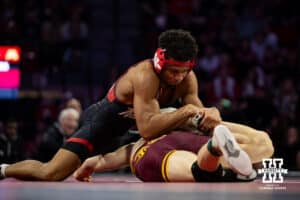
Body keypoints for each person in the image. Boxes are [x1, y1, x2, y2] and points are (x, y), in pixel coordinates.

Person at [0, 29, 271, 181]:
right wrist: (188, 111)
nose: (178, 77)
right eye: (173, 70)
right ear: (159, 60)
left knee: (196, 123)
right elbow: (147, 130)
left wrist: (209, 115)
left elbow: (195, 115)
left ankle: (225, 158)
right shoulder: (144, 76)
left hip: (143, 125)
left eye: (183, 71)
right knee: (51, 173)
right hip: (104, 124)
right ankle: (4, 169)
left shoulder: (188, 78)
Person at [73, 125, 262, 182]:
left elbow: (93, 163)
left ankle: (215, 146)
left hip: (150, 155)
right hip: (184, 137)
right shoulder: (172, 125)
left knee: (200, 172)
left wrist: (80, 174)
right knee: (217, 166)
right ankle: (217, 150)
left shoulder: (134, 147)